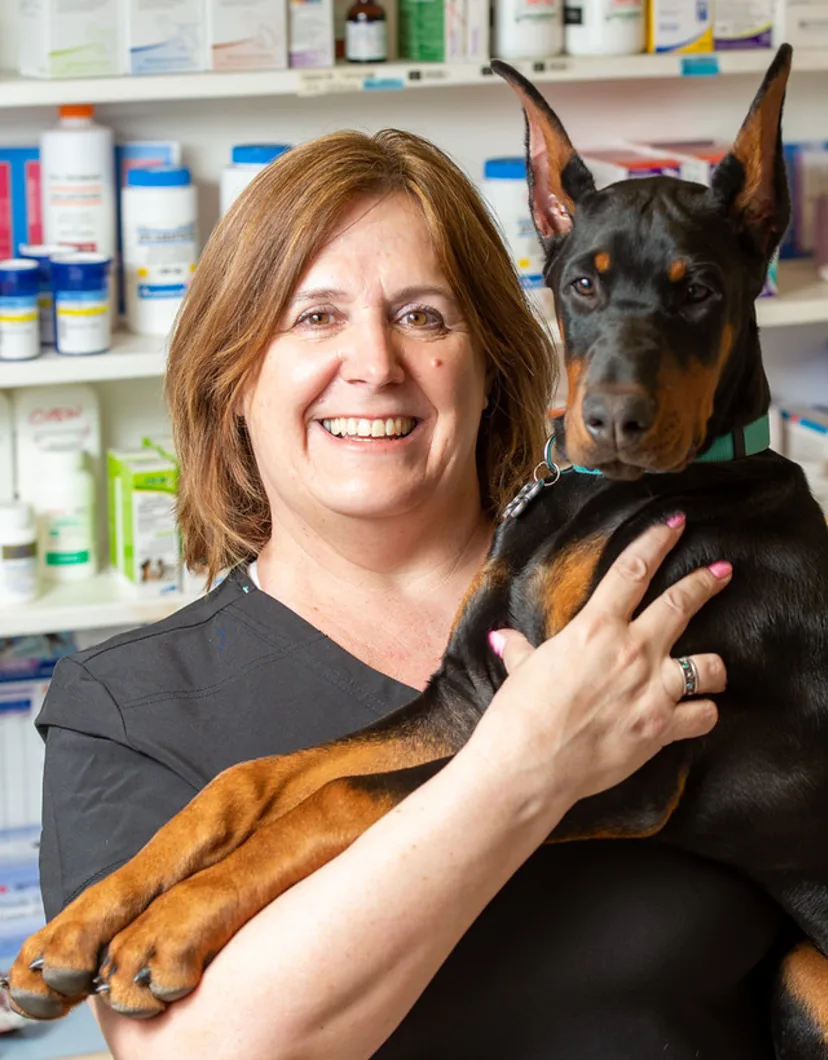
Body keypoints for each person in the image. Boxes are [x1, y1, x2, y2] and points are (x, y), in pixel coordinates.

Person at [34, 129, 781, 1060]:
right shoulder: (127, 709)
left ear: (497, 364)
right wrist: (522, 768)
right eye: (313, 318)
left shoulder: (664, 593)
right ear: (233, 378)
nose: (376, 364)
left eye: (424, 317)